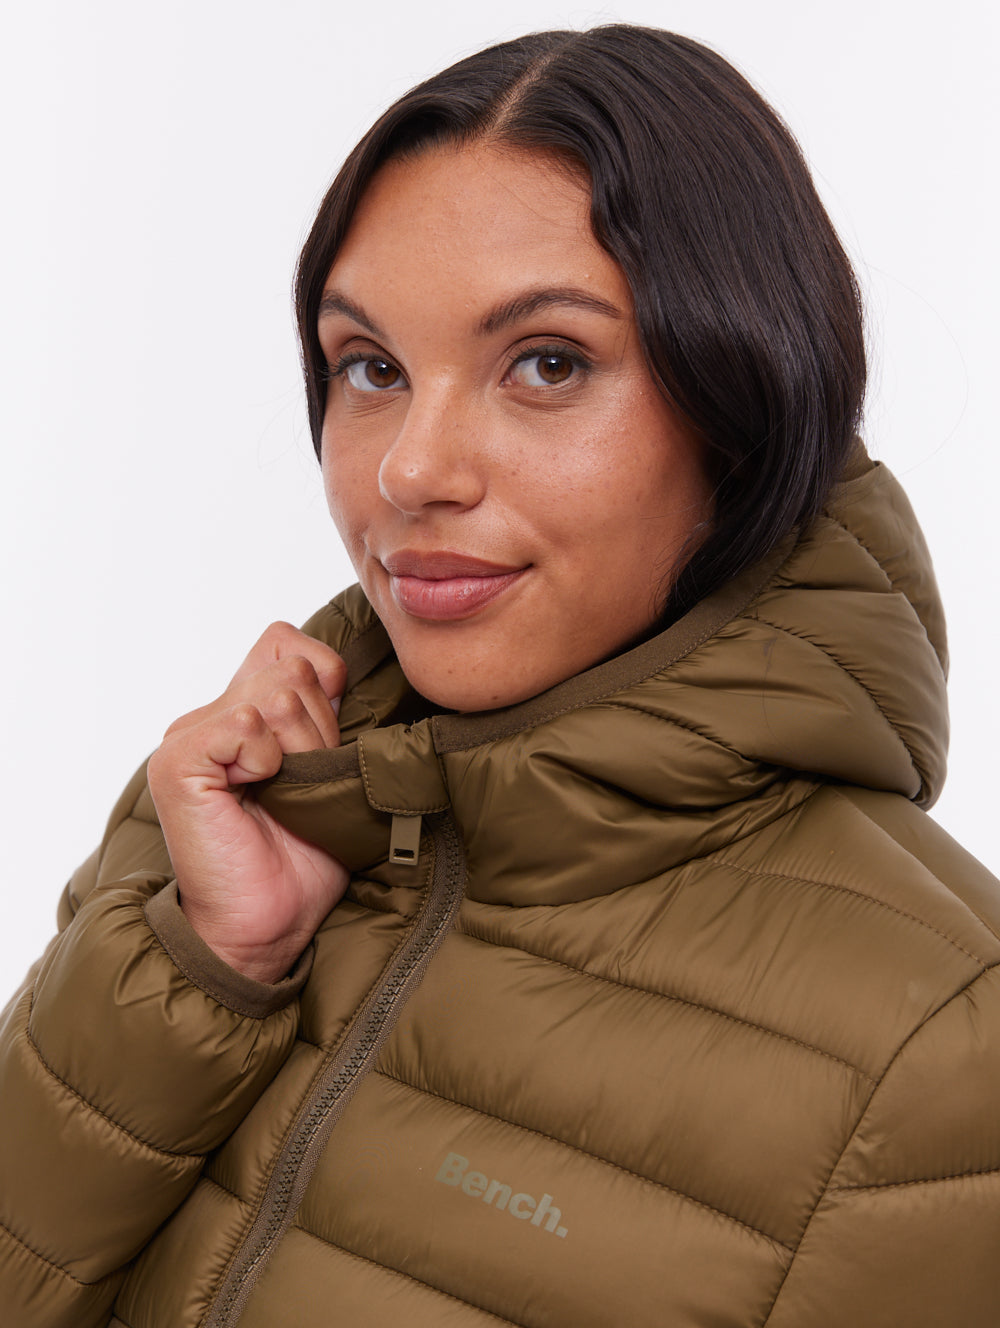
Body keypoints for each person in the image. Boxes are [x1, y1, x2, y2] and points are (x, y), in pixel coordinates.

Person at [1, 23, 997, 1328]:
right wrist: (209, 969)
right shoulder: (218, 823)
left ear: (743, 402)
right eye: (370, 368)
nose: (410, 469)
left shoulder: (941, 1047)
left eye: (547, 363)